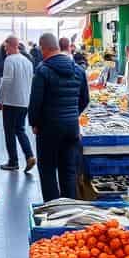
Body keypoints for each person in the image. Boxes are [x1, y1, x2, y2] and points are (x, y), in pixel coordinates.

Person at [29, 33, 89, 201]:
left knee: (47, 169)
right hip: (71, 128)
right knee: (69, 170)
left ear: (43, 48)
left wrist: (34, 122)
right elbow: (85, 99)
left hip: (49, 128)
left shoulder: (43, 70)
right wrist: (72, 114)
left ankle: (53, 211)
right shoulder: (78, 69)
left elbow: (35, 102)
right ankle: (70, 210)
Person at [0, 35, 35, 172]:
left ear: (12, 45)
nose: (5, 49)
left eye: (6, 46)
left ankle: (13, 161)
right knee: (20, 129)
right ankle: (30, 156)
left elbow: (6, 81)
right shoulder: (27, 61)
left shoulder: (10, 60)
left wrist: (0, 100)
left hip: (11, 101)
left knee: (9, 132)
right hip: (24, 101)